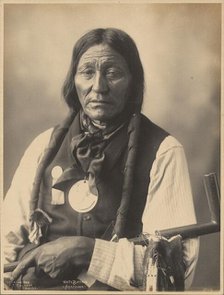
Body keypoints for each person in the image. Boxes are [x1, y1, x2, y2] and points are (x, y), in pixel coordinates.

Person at [3, 28, 199, 291]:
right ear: (74, 80)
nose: (98, 87)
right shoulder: (44, 147)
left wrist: (87, 252)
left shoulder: (163, 152)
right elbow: (5, 245)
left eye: (112, 73)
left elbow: (175, 274)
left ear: (134, 82)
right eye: (87, 72)